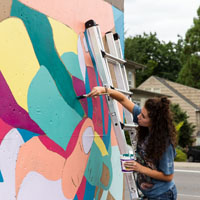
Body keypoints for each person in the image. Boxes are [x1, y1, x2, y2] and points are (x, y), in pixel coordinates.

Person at [88, 86, 177, 200]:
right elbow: (123, 99)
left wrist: (139, 168)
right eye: (141, 112)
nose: (138, 116)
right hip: (150, 193)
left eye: (143, 116)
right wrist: (104, 90)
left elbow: (168, 176)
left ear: (154, 122)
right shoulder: (145, 123)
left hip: (162, 195)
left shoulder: (165, 144)